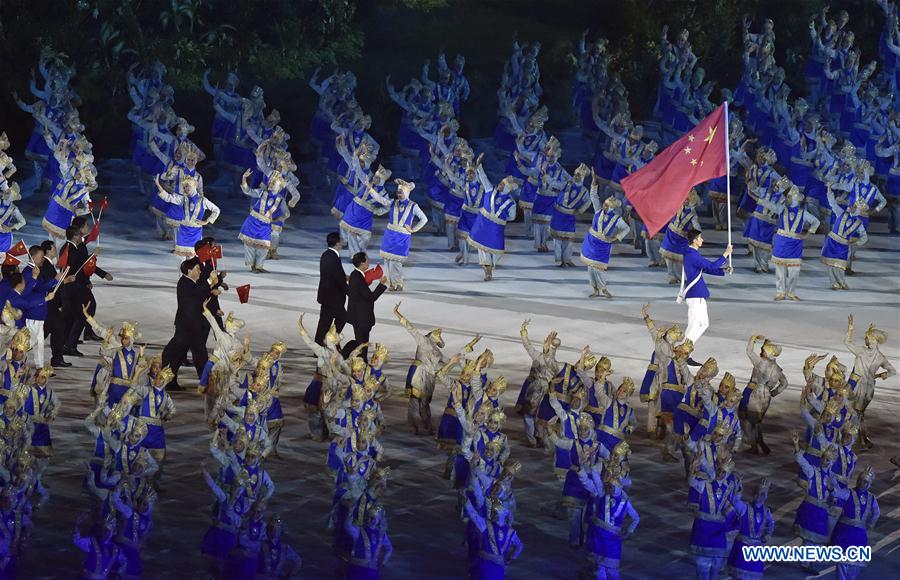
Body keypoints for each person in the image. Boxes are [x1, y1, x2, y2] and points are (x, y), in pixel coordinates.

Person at [161, 258, 218, 390]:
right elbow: (197, 293)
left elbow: (200, 296)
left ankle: (174, 381)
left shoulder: (192, 283)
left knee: (188, 355)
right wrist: (209, 281)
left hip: (191, 326)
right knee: (185, 355)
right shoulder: (184, 283)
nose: (199, 272)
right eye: (197, 269)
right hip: (187, 327)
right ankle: (203, 383)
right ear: (189, 270)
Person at [678, 229, 732, 362]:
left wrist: (723, 270)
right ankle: (683, 353)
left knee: (702, 324)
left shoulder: (691, 253)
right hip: (695, 295)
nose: (702, 240)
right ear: (695, 241)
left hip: (697, 295)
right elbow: (711, 265)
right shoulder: (692, 255)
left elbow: (707, 268)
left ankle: (685, 350)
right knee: (694, 325)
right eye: (700, 238)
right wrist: (725, 254)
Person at [379, 178, 428, 291]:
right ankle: (389, 283)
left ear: (406, 192)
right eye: (398, 192)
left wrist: (413, 229)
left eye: (401, 192)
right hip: (390, 235)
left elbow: (424, 219)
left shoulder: (413, 206)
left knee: (396, 262)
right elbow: (381, 200)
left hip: (402, 237)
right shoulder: (393, 203)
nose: (398, 194)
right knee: (387, 261)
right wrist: (370, 189)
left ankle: (398, 283)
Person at [343, 252, 387, 359]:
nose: (369, 261)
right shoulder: (358, 278)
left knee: (361, 343)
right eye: (367, 260)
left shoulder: (354, 275)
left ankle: (357, 360)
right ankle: (348, 357)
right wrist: (381, 285)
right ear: (362, 263)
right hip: (361, 317)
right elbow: (371, 297)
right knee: (362, 344)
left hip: (357, 315)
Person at [316, 232, 347, 346]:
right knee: (337, 319)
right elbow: (338, 278)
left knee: (326, 321)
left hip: (328, 295)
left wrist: (345, 277)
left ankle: (322, 343)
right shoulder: (333, 257)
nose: (342, 243)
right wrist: (351, 291)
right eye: (341, 241)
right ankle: (328, 342)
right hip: (332, 297)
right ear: (337, 243)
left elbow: (334, 274)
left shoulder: (327, 254)